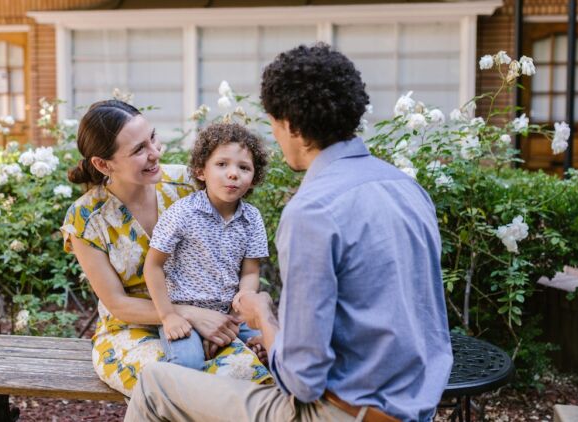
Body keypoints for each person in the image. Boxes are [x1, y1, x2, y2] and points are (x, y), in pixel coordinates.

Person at [125, 43, 453, 422]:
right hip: (418, 410)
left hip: (338, 414)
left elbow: (302, 381)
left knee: (156, 385)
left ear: (289, 124)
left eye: (272, 124)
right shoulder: (407, 189)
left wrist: (264, 316)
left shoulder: (312, 210)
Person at [60, 100, 271, 398]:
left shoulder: (186, 183)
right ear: (103, 164)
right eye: (138, 150)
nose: (155, 153)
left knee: (248, 368)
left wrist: (222, 318)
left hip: (210, 315)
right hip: (131, 329)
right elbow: (118, 304)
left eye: (153, 138)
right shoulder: (86, 218)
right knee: (174, 381)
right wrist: (190, 315)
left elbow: (235, 240)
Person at [144, 122, 270, 370]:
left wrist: (237, 317)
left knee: (271, 349)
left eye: (244, 167)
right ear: (201, 171)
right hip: (184, 314)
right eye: (222, 164)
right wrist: (167, 315)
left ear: (254, 178)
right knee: (187, 363)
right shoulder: (182, 213)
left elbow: (250, 272)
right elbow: (153, 266)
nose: (233, 173)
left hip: (230, 313)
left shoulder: (252, 219)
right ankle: (176, 407)